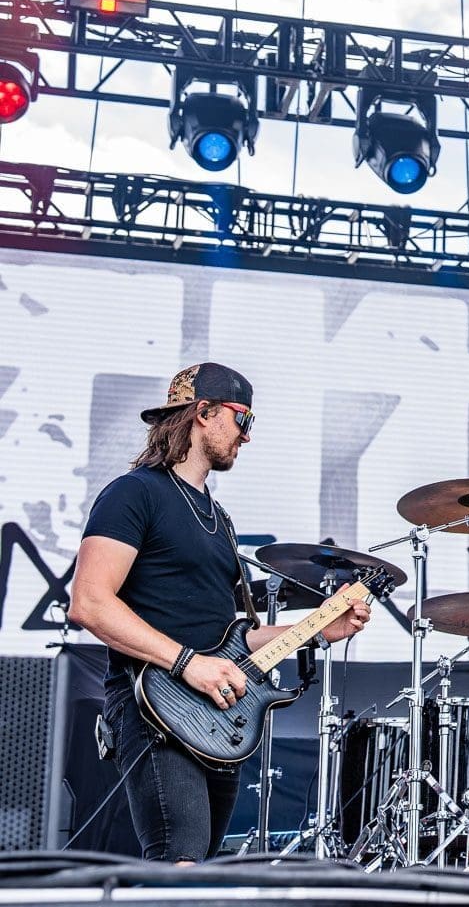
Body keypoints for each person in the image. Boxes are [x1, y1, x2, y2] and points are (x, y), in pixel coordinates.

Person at [68, 363, 371, 863]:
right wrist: (189, 663)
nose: (246, 437)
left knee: (201, 873)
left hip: (214, 717)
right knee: (179, 865)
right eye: (242, 419)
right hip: (154, 705)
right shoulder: (136, 492)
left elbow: (232, 639)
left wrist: (315, 628)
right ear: (203, 414)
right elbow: (90, 602)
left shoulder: (219, 518)